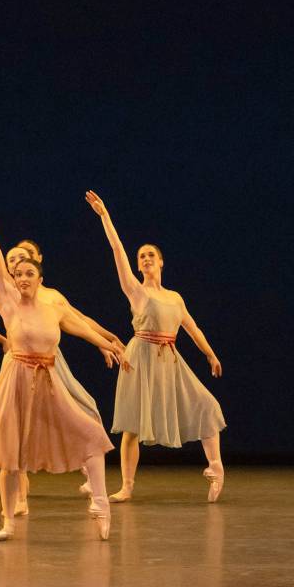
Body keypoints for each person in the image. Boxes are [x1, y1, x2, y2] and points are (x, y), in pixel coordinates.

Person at [0, 193, 122, 542]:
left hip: (48, 379)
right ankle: (9, 521)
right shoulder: (8, 304)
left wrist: (108, 344)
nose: (22, 278)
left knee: (89, 433)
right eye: (18, 274)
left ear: (39, 278)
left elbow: (80, 326)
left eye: (29, 273)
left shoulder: (52, 304)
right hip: (16, 379)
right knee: (10, 454)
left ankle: (101, 504)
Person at [85, 191, 227, 502]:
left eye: (151, 255)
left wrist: (211, 354)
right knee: (132, 425)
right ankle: (126, 486)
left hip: (169, 359)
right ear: (138, 267)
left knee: (207, 406)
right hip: (140, 357)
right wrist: (105, 216)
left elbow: (192, 328)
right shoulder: (136, 292)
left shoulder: (175, 297)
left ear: (161, 261)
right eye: (142, 257)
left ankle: (215, 467)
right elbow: (117, 251)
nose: (146, 259)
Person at [3, 239, 129, 516]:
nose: (17, 265)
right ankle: (18, 500)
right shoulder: (9, 295)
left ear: (37, 263)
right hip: (18, 365)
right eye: (12, 261)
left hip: (49, 361)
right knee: (16, 431)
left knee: (82, 409)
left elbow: (78, 321)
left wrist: (105, 340)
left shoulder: (51, 297)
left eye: (24, 260)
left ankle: (87, 468)